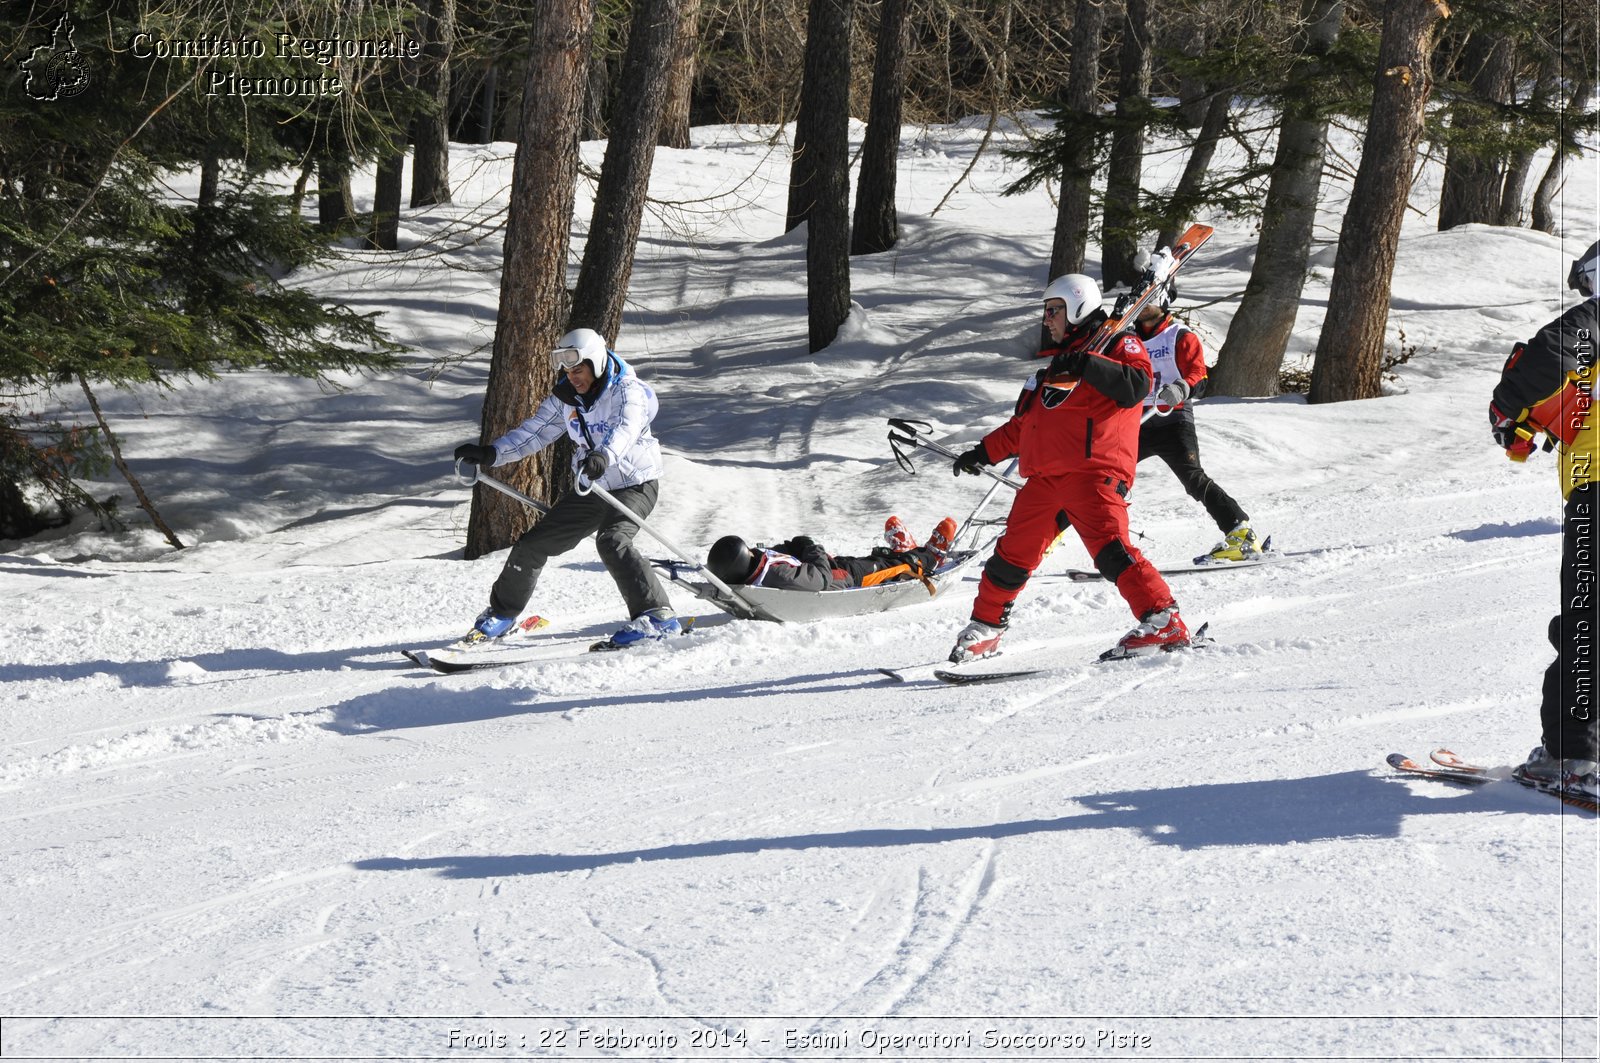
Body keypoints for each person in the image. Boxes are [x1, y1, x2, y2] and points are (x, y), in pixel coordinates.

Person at [948, 272, 1188, 663]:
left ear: (1078, 306)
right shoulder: (1054, 369)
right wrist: (983, 452)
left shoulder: (1118, 343)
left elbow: (1136, 386)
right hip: (1044, 478)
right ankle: (987, 629)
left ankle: (1164, 620)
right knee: (1010, 556)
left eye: (1054, 310)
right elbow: (1028, 426)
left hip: (1094, 472)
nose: (1047, 319)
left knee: (1112, 551)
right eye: (1046, 311)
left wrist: (1089, 363)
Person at [452, 328, 680, 648]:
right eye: (567, 371)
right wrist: (492, 453)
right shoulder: (566, 399)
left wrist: (604, 455)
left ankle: (658, 617)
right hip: (592, 487)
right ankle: (502, 614)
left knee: (613, 541)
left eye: (578, 369)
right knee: (532, 544)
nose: (572, 377)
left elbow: (625, 429)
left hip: (635, 484)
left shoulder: (627, 391)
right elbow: (534, 432)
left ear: (596, 363)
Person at [1489, 239, 1599, 797]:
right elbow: (1568, 394)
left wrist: (1506, 409)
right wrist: (1533, 424)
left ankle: (1571, 758)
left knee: (1586, 623)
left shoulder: (1594, 320)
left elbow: (1552, 356)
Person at [1128, 285, 1265, 562]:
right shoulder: (1127, 339)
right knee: (1103, 477)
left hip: (1172, 418)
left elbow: (1199, 376)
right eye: (1140, 297)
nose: (1143, 303)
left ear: (1165, 301)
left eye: (1151, 298)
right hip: (1137, 421)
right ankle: (1053, 535)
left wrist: (1182, 388)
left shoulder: (1179, 336)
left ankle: (1241, 533)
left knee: (1193, 478)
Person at [706, 517, 957, 591]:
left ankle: (903, 551)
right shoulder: (779, 576)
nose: (754, 552)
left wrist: (793, 546)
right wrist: (810, 548)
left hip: (837, 566)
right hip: (844, 578)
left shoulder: (756, 568)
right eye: (749, 552)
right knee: (898, 567)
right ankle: (931, 556)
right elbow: (820, 580)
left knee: (877, 560)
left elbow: (774, 554)